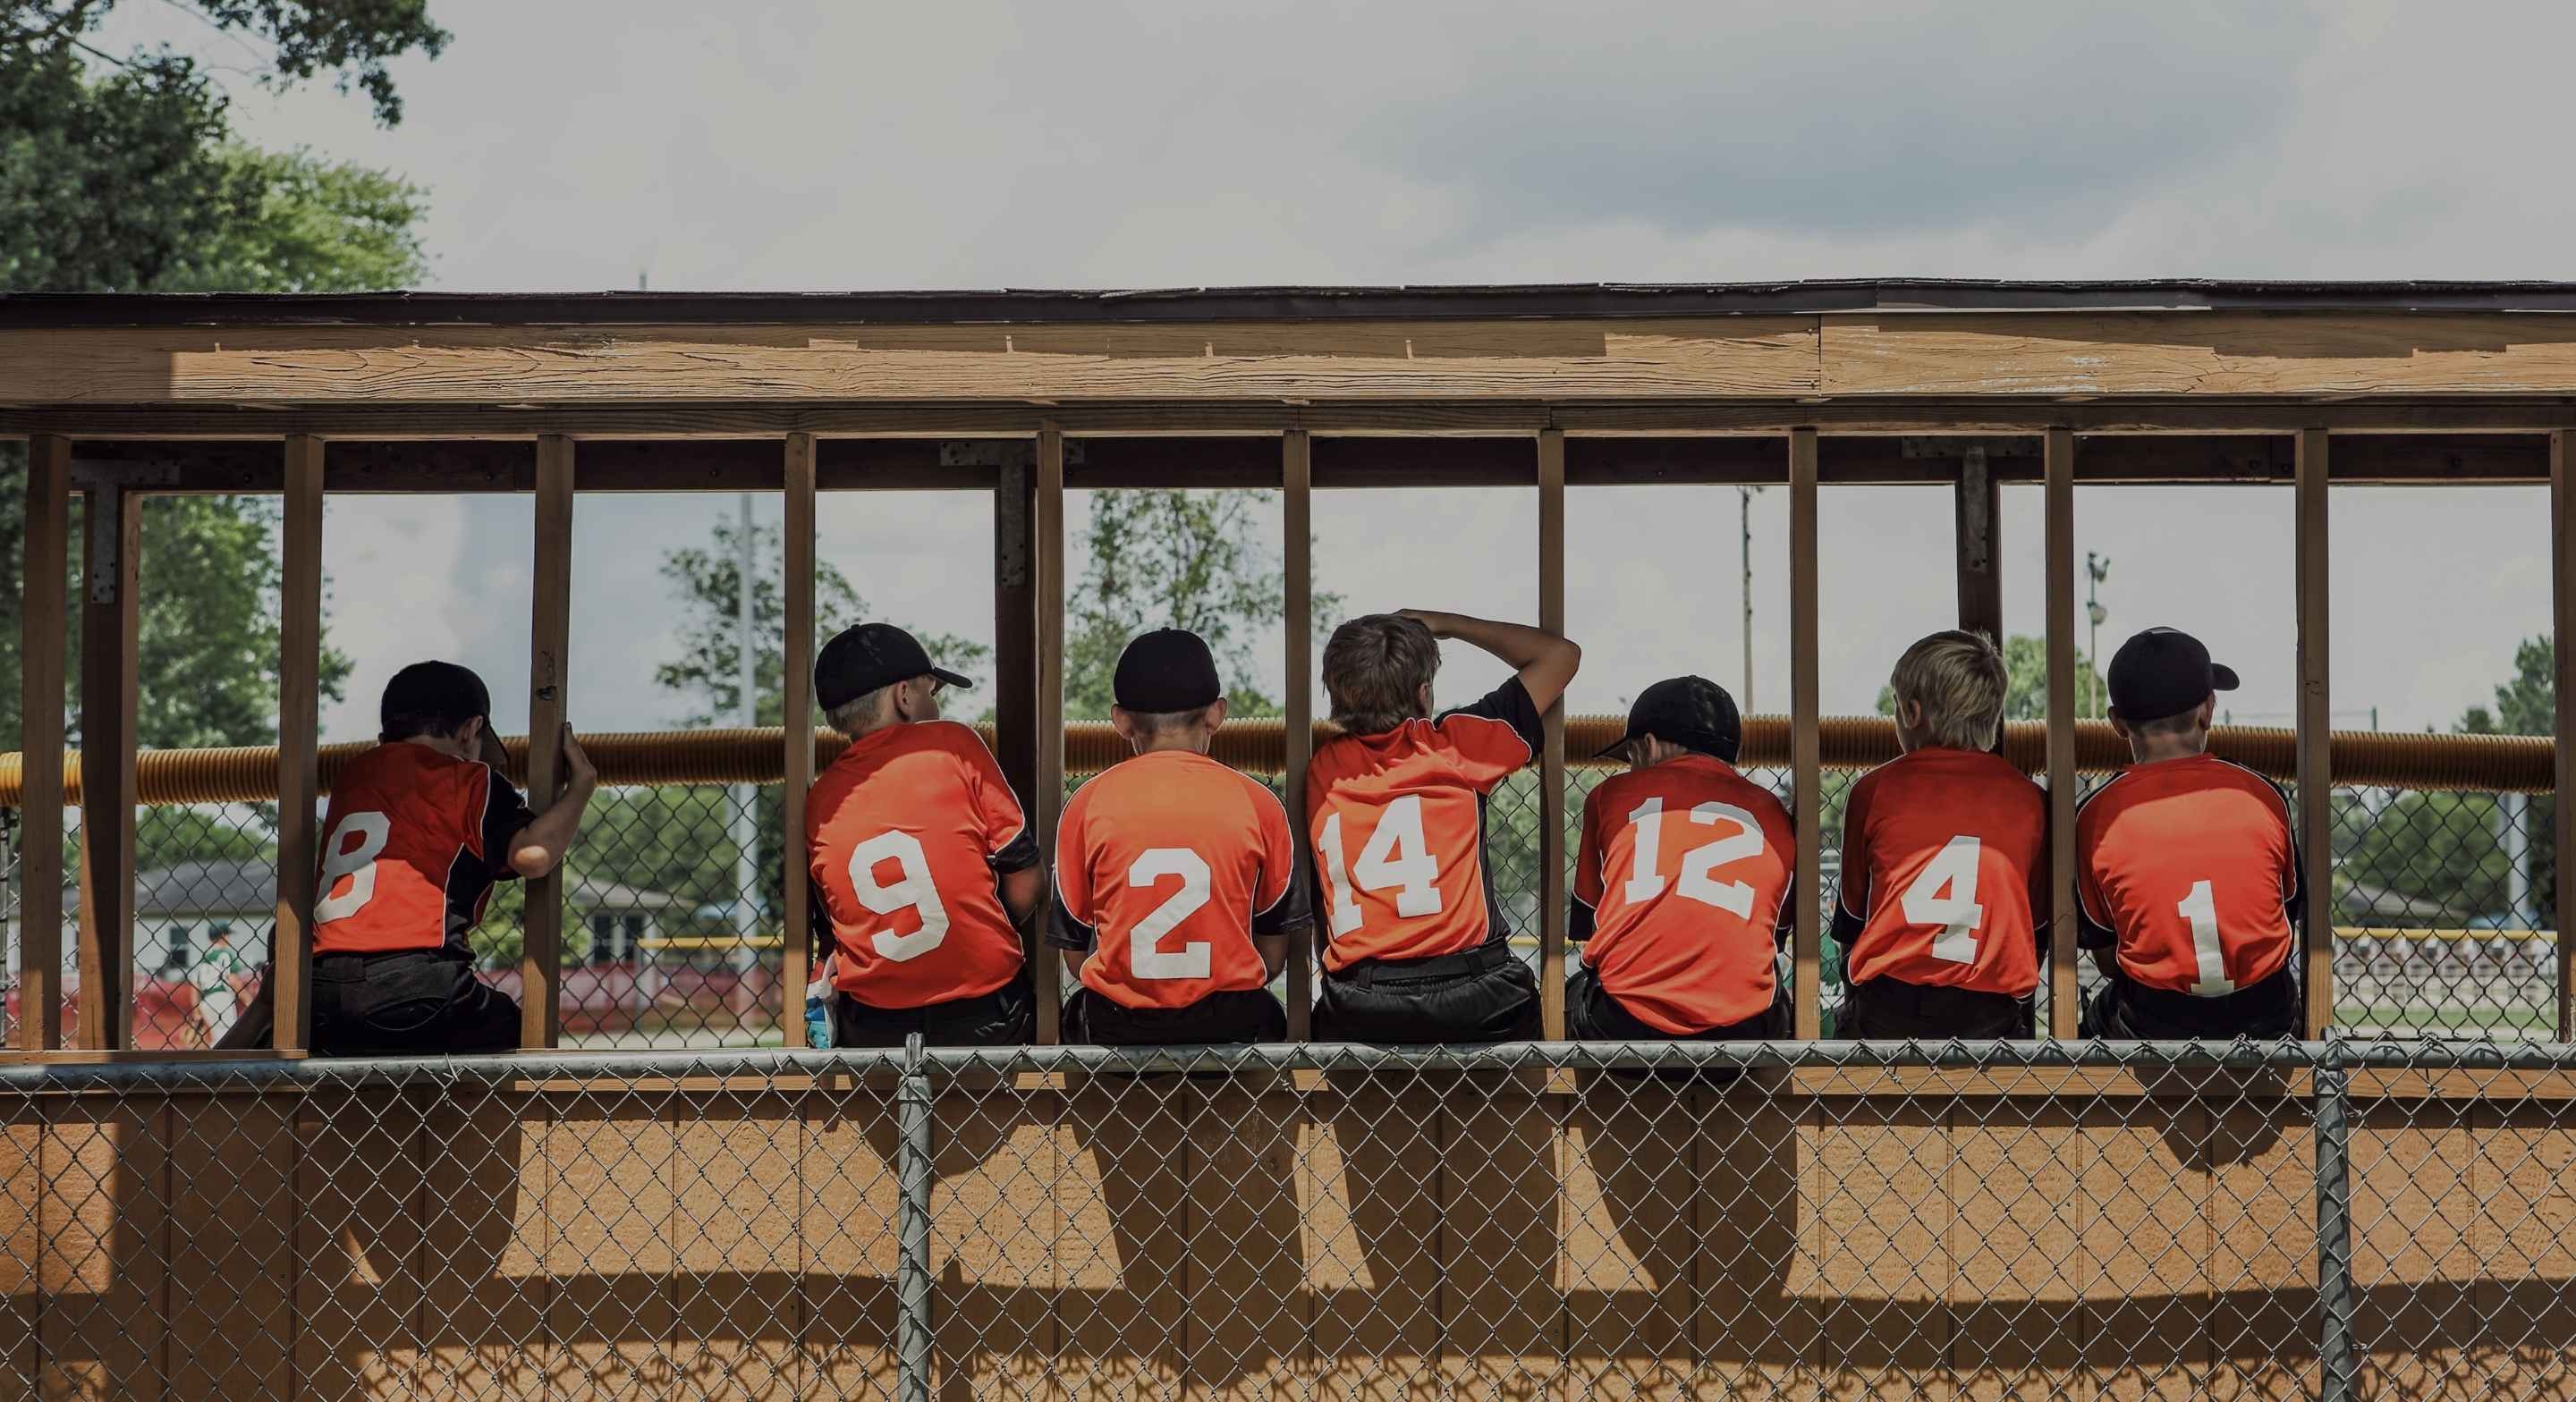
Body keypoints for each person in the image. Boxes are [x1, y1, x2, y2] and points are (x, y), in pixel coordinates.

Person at [1307, 609, 1580, 1043]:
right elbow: (1559, 656)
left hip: (1363, 1003)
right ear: (1423, 693)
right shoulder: (1458, 746)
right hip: (1473, 996)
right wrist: (1447, 626)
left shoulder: (1323, 769)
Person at [308, 661, 597, 1056]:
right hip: (417, 986)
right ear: (469, 730)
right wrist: (582, 785)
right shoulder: (469, 779)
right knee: (516, 1028)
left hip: (319, 995)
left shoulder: (352, 778)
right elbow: (533, 855)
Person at [1051, 629, 1308, 1045]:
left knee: (1078, 1009)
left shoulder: (1086, 802)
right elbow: (1275, 953)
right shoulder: (1259, 802)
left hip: (1118, 1025)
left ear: (1120, 721)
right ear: (1216, 714)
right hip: (1231, 1025)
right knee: (1269, 1011)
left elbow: (1074, 951)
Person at [806, 622, 1044, 1047]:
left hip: (876, 1024)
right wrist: (977, 931)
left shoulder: (821, 798)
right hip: (986, 1010)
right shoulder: (950, 744)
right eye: (929, 692)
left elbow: (833, 921)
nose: (934, 706)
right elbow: (1026, 878)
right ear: (902, 696)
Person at [2077, 627, 2302, 1039]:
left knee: (2094, 1020)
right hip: (2265, 1019)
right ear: (2208, 709)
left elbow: (2107, 955)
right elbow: (2286, 916)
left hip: (2154, 1023)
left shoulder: (2095, 814)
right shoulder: (2261, 794)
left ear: (2117, 723)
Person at [1834, 631, 2049, 1040]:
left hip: (1890, 1007)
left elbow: (1852, 919)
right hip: (1991, 1011)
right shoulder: (2029, 798)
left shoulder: (1874, 789)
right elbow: (2036, 929)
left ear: (1912, 713)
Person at [1567, 676, 1794, 1040]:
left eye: (1631, 755)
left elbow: (1590, 924)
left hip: (1625, 1025)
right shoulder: (1773, 811)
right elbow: (1774, 934)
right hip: (1744, 1031)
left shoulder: (1608, 796)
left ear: (1650, 746)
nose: (1630, 767)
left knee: (1570, 989)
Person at [188, 923, 252, 1046]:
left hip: (205, 1002)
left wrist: (196, 1011)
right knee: (228, 1039)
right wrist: (248, 1000)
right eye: (228, 935)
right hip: (221, 1000)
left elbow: (194, 986)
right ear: (223, 936)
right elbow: (233, 980)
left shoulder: (203, 958)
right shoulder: (225, 954)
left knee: (218, 1037)